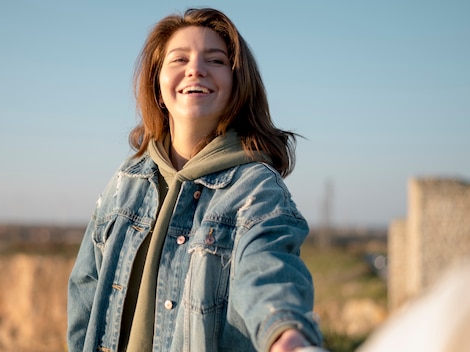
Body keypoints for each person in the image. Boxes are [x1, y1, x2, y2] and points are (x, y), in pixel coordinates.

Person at [67, 7, 324, 352]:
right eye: (179, 59)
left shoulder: (256, 189)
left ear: (236, 85)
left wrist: (286, 336)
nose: (196, 70)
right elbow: (86, 291)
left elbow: (267, 271)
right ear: (158, 87)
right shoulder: (125, 184)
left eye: (216, 60)